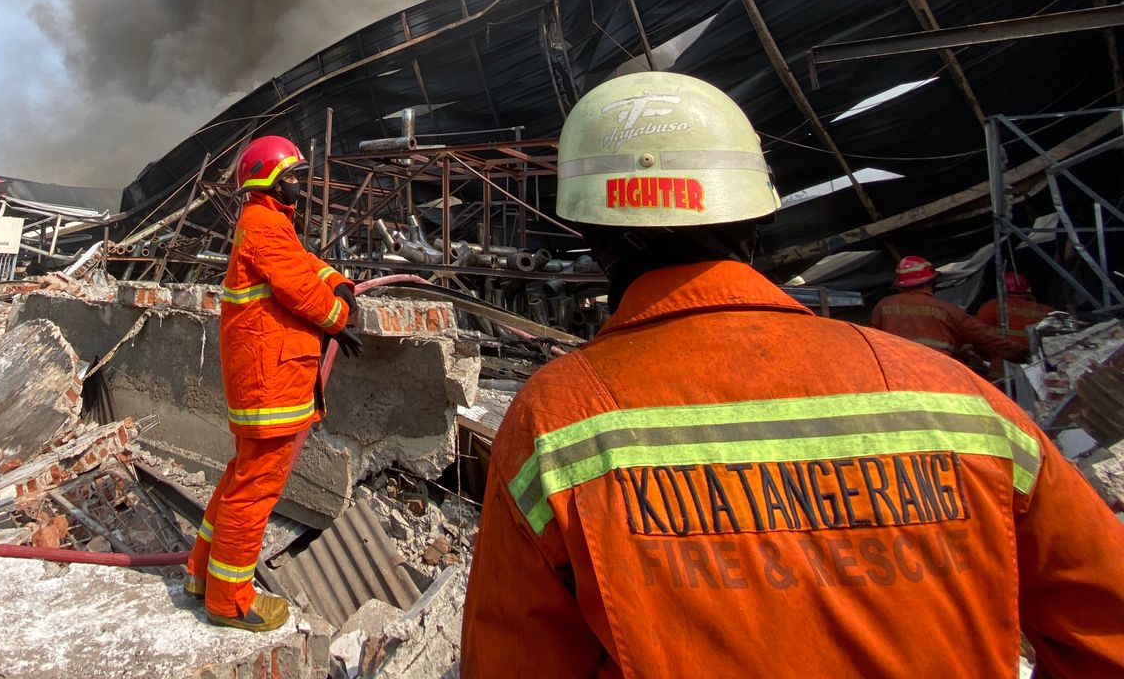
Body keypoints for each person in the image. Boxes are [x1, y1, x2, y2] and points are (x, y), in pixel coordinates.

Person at [461, 72, 1124, 678]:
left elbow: (513, 662)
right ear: (758, 215)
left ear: (585, 227)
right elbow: (1105, 630)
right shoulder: (963, 405)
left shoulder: (560, 421)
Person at [186, 134, 362, 632]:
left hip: (269, 378)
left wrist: (338, 278)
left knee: (240, 478)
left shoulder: (268, 223)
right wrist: (338, 315)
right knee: (256, 490)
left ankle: (202, 575)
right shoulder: (263, 225)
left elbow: (304, 263)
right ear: (267, 179)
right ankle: (230, 602)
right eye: (292, 179)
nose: (299, 189)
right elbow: (299, 287)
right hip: (272, 382)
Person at [871, 255, 1024, 364]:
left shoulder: (883, 306)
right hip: (938, 374)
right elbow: (985, 336)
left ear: (900, 284)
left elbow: (871, 341)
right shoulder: (948, 310)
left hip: (896, 373)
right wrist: (1022, 354)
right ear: (931, 281)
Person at [974, 270, 1056, 338]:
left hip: (1004, 354)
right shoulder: (1048, 311)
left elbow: (979, 334)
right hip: (1039, 356)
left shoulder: (991, 306)